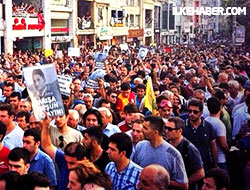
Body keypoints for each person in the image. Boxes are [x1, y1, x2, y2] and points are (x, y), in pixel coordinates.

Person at [133, 115, 188, 190]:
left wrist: (159, 181)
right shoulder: (140, 146)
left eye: (145, 128)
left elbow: (184, 185)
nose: (142, 130)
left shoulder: (173, 154)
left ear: (155, 132)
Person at [41, 113, 88, 190]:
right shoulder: (63, 159)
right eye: (67, 162)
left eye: (72, 163)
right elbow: (46, 146)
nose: (68, 166)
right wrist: (46, 125)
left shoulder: (89, 175)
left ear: (83, 160)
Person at [165, 117, 205, 190]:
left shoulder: (189, 148)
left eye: (170, 129)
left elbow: (200, 173)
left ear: (180, 131)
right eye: (166, 128)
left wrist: (184, 184)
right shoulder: (165, 144)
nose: (166, 131)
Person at [183, 99, 217, 171]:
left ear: (201, 112)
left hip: (205, 164)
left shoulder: (208, 127)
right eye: (190, 111)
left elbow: (213, 147)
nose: (192, 114)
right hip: (187, 165)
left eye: (195, 112)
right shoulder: (182, 126)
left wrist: (215, 165)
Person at [205, 97, 229, 171]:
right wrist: (228, 152)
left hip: (210, 158)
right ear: (220, 108)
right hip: (220, 159)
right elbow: (223, 144)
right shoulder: (219, 124)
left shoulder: (205, 120)